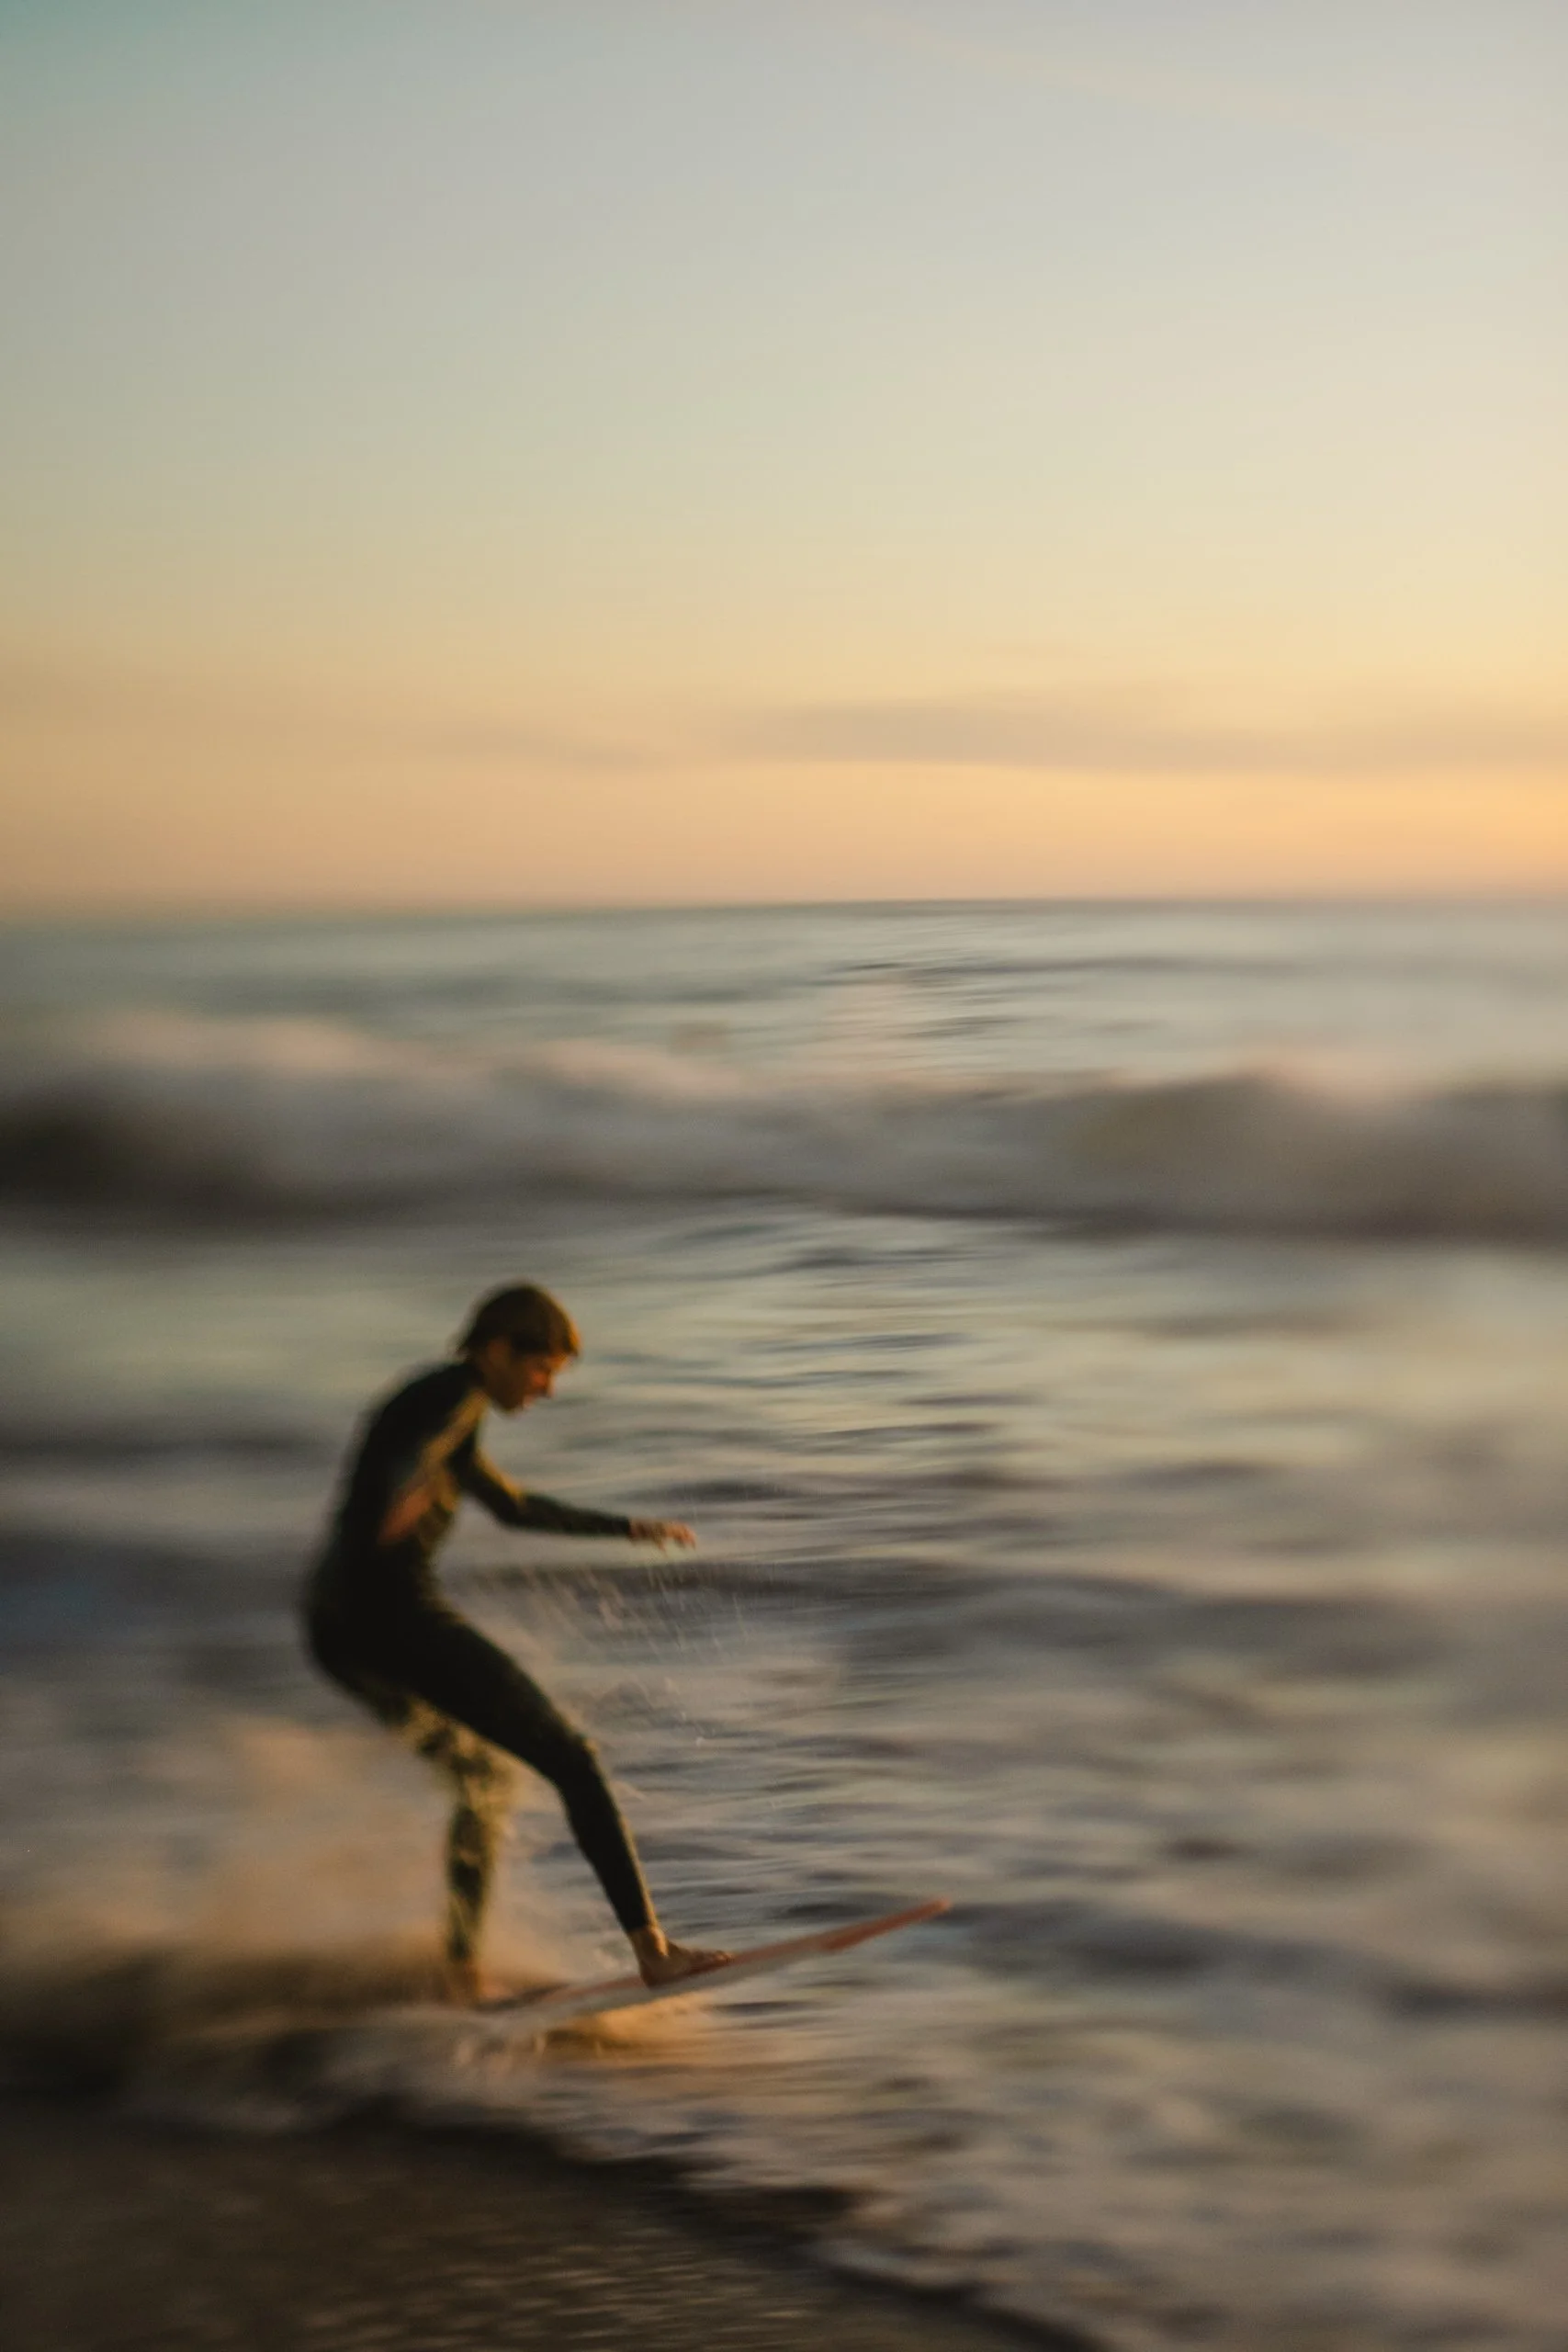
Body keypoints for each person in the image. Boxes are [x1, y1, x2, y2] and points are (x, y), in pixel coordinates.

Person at [305, 1282, 728, 2002]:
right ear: (498, 1351)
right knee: (574, 1759)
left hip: (337, 1628)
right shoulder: (453, 1398)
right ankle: (654, 1953)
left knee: (483, 1780)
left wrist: (623, 1527)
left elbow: (512, 1507)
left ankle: (458, 1969)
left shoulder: (444, 1405)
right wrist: (401, 1493)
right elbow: (412, 1453)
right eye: (543, 1369)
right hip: (392, 1620)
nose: (547, 1389)